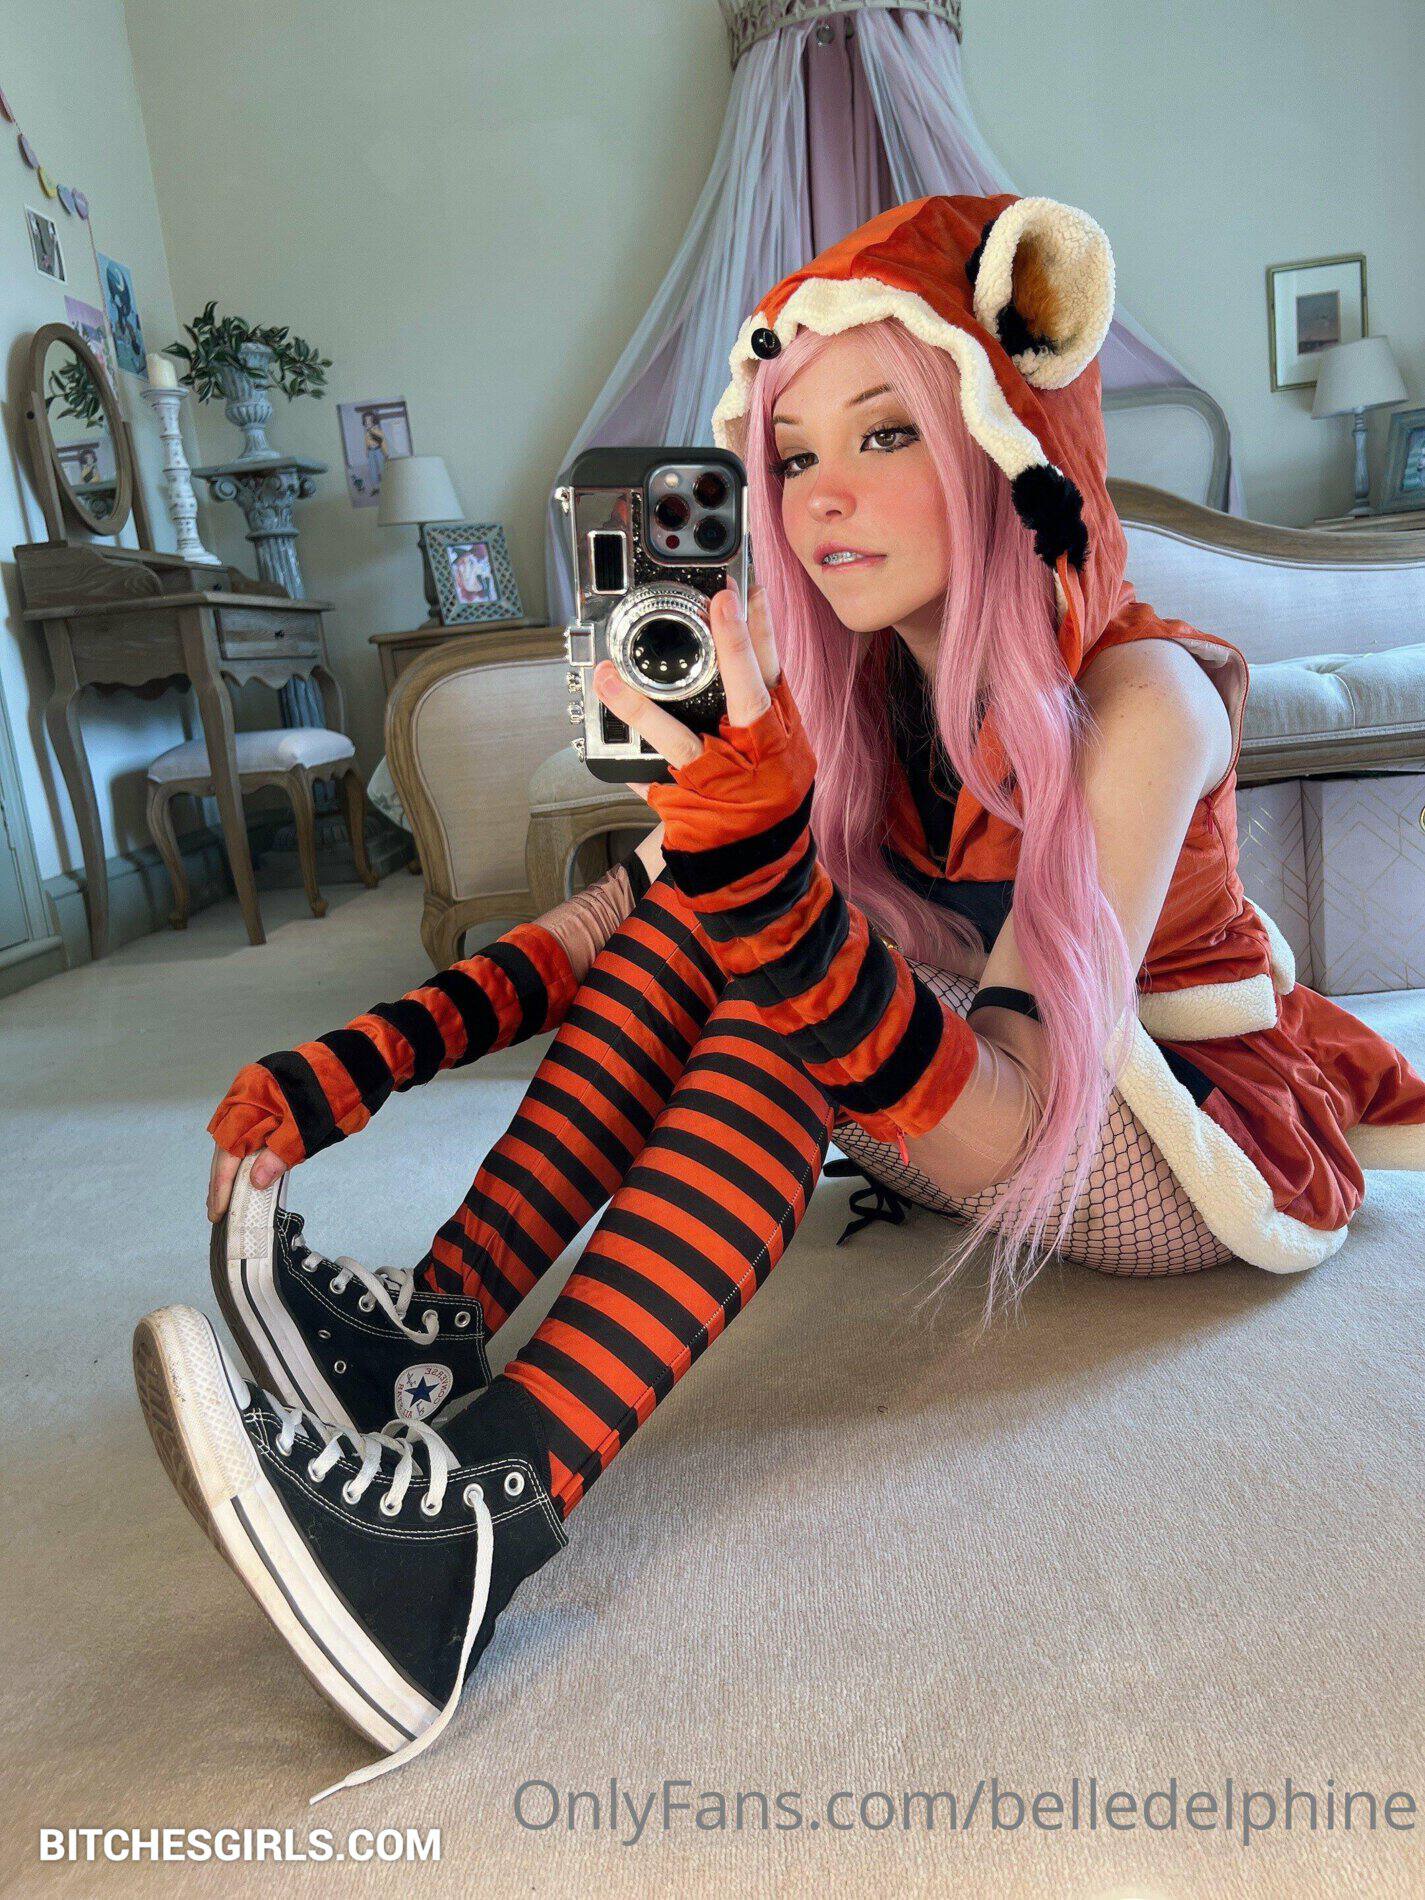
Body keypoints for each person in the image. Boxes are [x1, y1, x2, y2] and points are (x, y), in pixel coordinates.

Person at [133, 192, 1425, 1803]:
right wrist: (365, 1058)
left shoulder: (1142, 697)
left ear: (1003, 445)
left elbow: (1017, 1112)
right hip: (961, 1091)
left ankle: (472, 1529)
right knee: (726, 921)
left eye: (885, 433)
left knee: (778, 977)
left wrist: (765, 891)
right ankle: (439, 1334)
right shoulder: (857, 688)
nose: (820, 497)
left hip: (1168, 1132)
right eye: (792, 454)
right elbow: (625, 918)